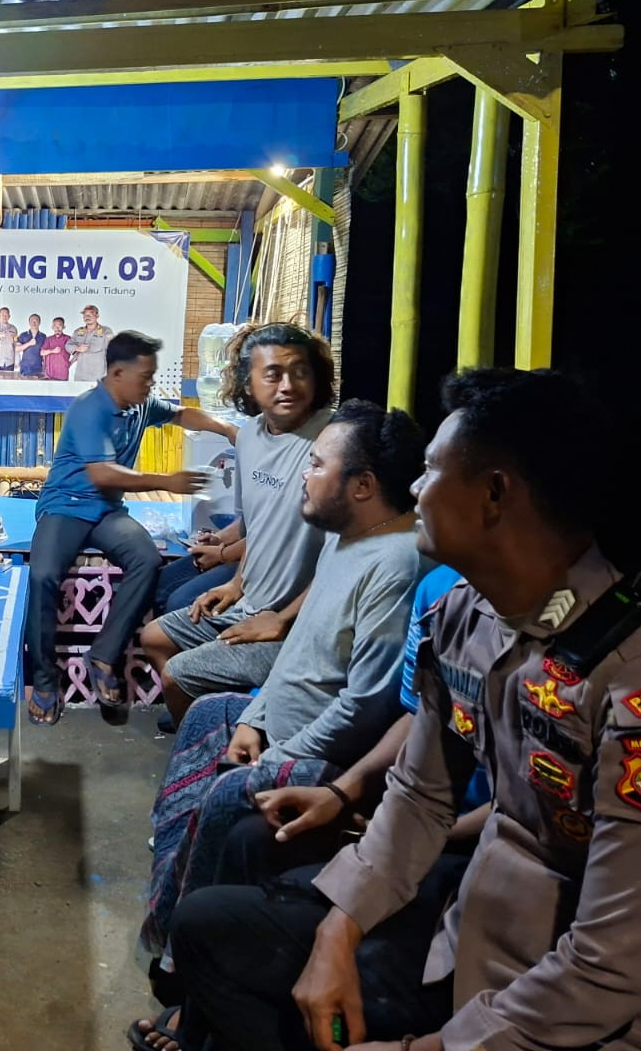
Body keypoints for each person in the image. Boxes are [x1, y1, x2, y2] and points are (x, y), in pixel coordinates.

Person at [168, 368, 641, 1051]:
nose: (415, 490)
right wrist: (337, 930)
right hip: (476, 915)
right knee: (212, 927)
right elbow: (421, 792)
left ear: (494, 495)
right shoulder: (462, 615)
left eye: (432, 472)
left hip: (581, 999)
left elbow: (614, 962)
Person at [139, 401, 426, 966]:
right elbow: (294, 653)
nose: (304, 473)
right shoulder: (346, 538)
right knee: (206, 715)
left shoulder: (396, 563)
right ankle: (175, 881)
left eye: (317, 465)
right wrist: (253, 716)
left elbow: (367, 704)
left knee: (223, 795)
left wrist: (284, 749)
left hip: (324, 753)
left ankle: (185, 960)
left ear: (363, 485)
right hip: (280, 724)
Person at [23, 331, 235, 727]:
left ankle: (104, 655)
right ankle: (46, 679)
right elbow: (102, 474)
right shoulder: (90, 409)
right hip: (66, 507)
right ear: (117, 373)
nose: (151, 384)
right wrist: (167, 481)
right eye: (146, 377)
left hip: (108, 512)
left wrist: (228, 430)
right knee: (43, 574)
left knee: (146, 558)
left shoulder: (139, 404)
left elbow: (180, 414)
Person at [140, 323, 337, 726]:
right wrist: (234, 583)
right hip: (249, 598)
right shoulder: (248, 437)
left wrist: (281, 620)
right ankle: (210, 726)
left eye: (300, 372)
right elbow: (255, 526)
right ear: (248, 384)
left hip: (300, 619)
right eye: (273, 374)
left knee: (177, 676)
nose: (288, 385)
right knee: (154, 638)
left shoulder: (334, 442)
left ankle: (213, 746)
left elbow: (348, 555)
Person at [69, 304, 114, 381]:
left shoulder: (106, 331)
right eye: (85, 315)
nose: (87, 317)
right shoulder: (78, 331)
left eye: (90, 314)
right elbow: (68, 345)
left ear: (97, 315)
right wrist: (77, 348)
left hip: (98, 376)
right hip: (81, 375)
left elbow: (113, 348)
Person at [41, 316, 71, 382]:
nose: (57, 327)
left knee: (62, 391)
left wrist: (70, 363)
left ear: (64, 327)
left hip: (62, 374)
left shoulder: (68, 339)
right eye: (55, 325)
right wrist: (52, 351)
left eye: (60, 325)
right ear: (52, 327)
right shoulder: (49, 339)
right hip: (49, 374)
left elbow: (76, 353)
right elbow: (42, 352)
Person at [17, 313, 47, 378]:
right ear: (29, 322)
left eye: (36, 321)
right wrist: (29, 343)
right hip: (25, 367)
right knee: (25, 386)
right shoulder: (23, 335)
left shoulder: (43, 336)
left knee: (37, 386)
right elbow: (17, 349)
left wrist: (45, 367)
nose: (34, 322)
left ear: (39, 323)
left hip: (38, 367)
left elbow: (44, 353)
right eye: (32, 321)